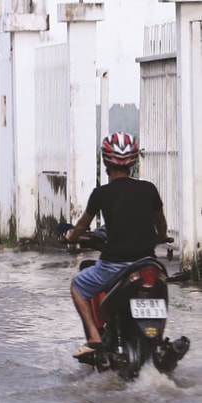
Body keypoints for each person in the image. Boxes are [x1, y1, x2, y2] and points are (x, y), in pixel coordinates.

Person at [64, 131, 168, 358]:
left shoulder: (100, 194)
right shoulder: (149, 189)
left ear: (105, 161)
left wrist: (71, 238)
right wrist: (161, 237)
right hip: (147, 264)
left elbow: (81, 226)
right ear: (133, 162)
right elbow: (161, 224)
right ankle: (157, 342)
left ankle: (93, 337)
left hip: (115, 266)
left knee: (78, 286)